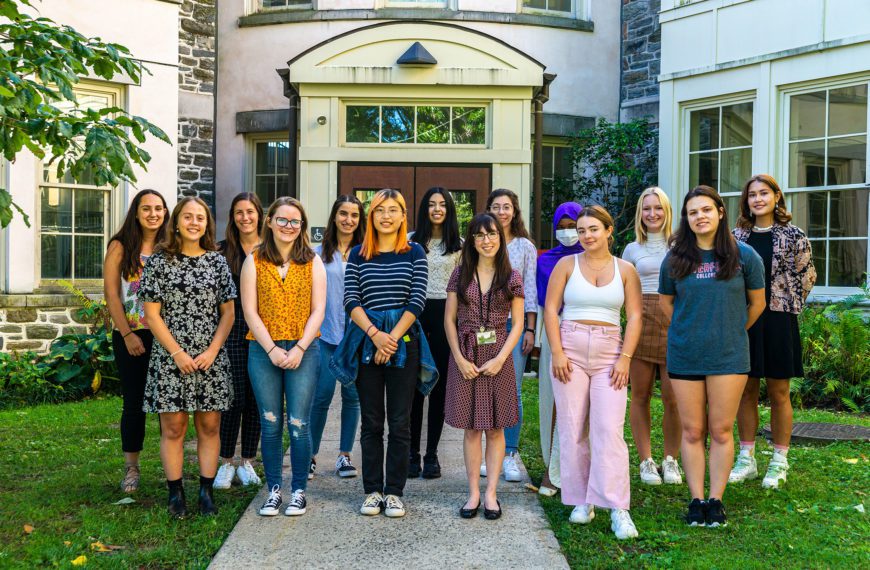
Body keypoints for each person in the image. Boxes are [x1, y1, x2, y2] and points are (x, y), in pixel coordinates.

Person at [658, 185, 766, 528]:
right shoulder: (675, 258)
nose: (699, 217)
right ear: (686, 219)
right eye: (693, 212)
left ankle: (715, 500)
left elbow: (758, 303)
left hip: (729, 356)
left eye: (706, 210)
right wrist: (692, 331)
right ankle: (695, 499)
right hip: (686, 355)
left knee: (720, 430)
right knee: (692, 430)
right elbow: (666, 304)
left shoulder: (744, 255)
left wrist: (729, 330)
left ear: (720, 212)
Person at [329, 188, 436, 519]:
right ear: (371, 216)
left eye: (393, 210)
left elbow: (416, 301)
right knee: (372, 422)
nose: (386, 216)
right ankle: (372, 490)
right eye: (379, 210)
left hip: (404, 342)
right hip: (366, 343)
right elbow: (351, 301)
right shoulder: (360, 254)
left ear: (403, 216)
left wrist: (390, 339)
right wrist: (376, 337)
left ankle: (394, 492)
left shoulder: (415, 252)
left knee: (401, 422)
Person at [545, 205, 643, 540]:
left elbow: (635, 316)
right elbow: (550, 308)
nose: (586, 236)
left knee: (609, 429)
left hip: (610, 352)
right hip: (569, 350)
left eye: (593, 229)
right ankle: (582, 500)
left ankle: (618, 508)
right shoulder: (565, 265)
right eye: (582, 230)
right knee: (572, 428)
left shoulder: (626, 269)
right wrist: (556, 352)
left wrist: (625, 358)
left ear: (609, 231)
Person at [140, 197, 236, 518]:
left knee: (209, 425)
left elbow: (228, 314)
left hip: (210, 356)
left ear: (207, 224)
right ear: (177, 221)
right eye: (188, 217)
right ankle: (175, 493)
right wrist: (177, 353)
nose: (195, 222)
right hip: (171, 356)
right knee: (174, 427)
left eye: (201, 218)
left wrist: (211, 351)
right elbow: (152, 315)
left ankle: (206, 493)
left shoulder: (217, 262)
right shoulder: (158, 261)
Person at [241, 197, 326, 517]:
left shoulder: (312, 261)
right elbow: (249, 310)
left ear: (302, 226)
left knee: (298, 423)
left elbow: (319, 310)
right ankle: (275, 490)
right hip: (264, 350)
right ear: (270, 221)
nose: (288, 226)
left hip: (304, 350)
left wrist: (300, 347)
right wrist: (273, 349)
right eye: (282, 220)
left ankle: (299, 490)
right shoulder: (255, 260)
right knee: (271, 422)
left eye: (295, 221)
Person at [730, 174, 816, 489]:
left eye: (764, 193)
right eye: (752, 195)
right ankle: (747, 459)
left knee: (780, 392)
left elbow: (808, 275)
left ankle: (779, 461)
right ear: (746, 202)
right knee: (746, 390)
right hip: (746, 321)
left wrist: (785, 302)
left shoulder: (794, 235)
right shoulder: (736, 237)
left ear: (776, 197)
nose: (758, 199)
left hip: (780, 320)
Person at [444, 213, 525, 520]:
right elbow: (449, 320)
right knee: (470, 427)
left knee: (494, 427)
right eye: (479, 235)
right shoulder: (460, 274)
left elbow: (517, 324)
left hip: (498, 355)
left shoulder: (512, 276)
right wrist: (459, 358)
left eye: (491, 234)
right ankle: (473, 493)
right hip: (465, 352)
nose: (486, 240)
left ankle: (491, 493)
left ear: (500, 238)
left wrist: (501, 358)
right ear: (472, 241)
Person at [103, 189, 169, 494]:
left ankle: (172, 466)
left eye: (158, 208)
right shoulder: (120, 246)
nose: (153, 214)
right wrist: (127, 334)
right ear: (137, 212)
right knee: (134, 404)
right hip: (131, 334)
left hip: (166, 335)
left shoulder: (170, 247)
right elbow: (112, 295)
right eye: (147, 209)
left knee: (168, 404)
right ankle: (132, 467)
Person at [622, 187, 682, 486]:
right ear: (640, 213)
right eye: (646, 208)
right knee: (641, 394)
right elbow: (624, 291)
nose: (652, 213)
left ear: (667, 211)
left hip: (674, 319)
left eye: (658, 208)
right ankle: (646, 460)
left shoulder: (682, 246)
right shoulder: (632, 249)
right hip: (641, 318)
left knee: (674, 397)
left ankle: (671, 460)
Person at [309, 195, 365, 480]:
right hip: (325, 336)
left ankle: (344, 456)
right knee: (321, 396)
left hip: (355, 337)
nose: (348, 220)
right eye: (343, 214)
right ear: (334, 217)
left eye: (354, 215)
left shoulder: (366, 252)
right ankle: (310, 455)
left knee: (352, 396)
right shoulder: (317, 253)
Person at [408, 187, 462, 480]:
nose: (437, 209)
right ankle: (411, 454)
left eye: (442, 204)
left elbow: (465, 288)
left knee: (438, 387)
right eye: (431, 204)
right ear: (424, 209)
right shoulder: (411, 242)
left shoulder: (459, 245)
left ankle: (431, 455)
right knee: (415, 387)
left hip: (445, 318)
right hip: (416, 316)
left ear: (449, 209)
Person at [485, 188, 537, 482]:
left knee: (512, 391)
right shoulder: (481, 241)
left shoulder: (524, 247)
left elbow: (529, 290)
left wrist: (530, 328)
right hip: (483, 328)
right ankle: (489, 452)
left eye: (507, 207)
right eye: (496, 206)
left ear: (515, 212)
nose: (502, 212)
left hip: (513, 326)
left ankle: (510, 454)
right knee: (485, 389)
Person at [534, 202, 584, 497]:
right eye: (561, 228)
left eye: (572, 226)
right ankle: (553, 468)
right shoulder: (546, 261)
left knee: (584, 405)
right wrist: (542, 342)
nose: (567, 233)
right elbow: (544, 306)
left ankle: (579, 468)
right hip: (556, 333)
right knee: (555, 400)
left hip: (588, 333)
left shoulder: (595, 258)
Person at [214, 192, 264, 490]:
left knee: (257, 398)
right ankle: (226, 462)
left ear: (259, 215)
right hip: (231, 331)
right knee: (232, 397)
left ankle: (247, 462)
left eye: (250, 212)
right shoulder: (221, 252)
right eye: (238, 213)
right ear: (233, 218)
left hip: (262, 333)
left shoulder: (270, 250)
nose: (245, 218)